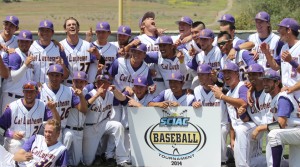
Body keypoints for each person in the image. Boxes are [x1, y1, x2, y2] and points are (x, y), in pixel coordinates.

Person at [210, 62, 263, 167]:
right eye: (224, 73)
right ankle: (283, 163)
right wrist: (232, 138)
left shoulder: (242, 86)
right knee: (247, 163)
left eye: (229, 72)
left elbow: (243, 103)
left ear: (237, 74)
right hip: (240, 131)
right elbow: (232, 120)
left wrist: (221, 96)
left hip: (250, 127)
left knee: (247, 161)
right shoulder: (229, 93)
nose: (226, 75)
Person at [253, 69, 300, 167]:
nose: (265, 83)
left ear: (277, 82)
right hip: (293, 132)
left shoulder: (282, 97)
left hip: (297, 130)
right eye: (264, 80)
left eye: (268, 80)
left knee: (274, 135)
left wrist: (260, 128)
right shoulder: (274, 97)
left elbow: (281, 124)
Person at [0, 81, 60, 154]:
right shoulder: (13, 107)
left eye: (31, 92)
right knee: (18, 144)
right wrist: (11, 134)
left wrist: (53, 110)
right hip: (14, 142)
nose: (29, 94)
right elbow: (0, 128)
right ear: (23, 92)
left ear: (37, 93)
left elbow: (57, 124)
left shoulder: (42, 106)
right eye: (26, 92)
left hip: (34, 142)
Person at [82, 74, 129, 166]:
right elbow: (84, 108)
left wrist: (115, 90)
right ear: (96, 84)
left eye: (105, 83)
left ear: (109, 85)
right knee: (88, 162)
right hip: (90, 128)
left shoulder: (111, 94)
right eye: (100, 82)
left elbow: (123, 99)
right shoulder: (90, 94)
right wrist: (97, 94)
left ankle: (121, 159)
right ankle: (98, 156)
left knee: (118, 126)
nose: (102, 85)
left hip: (104, 124)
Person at [192, 64, 229, 166]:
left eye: (203, 75)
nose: (200, 77)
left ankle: (223, 161)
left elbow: (230, 93)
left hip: (221, 122)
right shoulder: (196, 90)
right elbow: (193, 105)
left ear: (209, 76)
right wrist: (194, 104)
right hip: (205, 123)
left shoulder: (220, 89)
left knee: (222, 131)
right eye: (199, 75)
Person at [39, 64, 87, 141]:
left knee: (67, 137)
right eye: (52, 75)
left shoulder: (69, 91)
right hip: (44, 128)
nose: (54, 78)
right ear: (48, 75)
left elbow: (83, 110)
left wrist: (81, 96)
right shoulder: (40, 90)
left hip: (61, 129)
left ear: (62, 77)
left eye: (57, 75)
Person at [0, 119, 68, 167]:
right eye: (46, 131)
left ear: (58, 134)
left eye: (50, 132)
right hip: (14, 164)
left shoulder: (61, 150)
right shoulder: (36, 138)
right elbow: (16, 157)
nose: (47, 134)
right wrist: (24, 157)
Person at [264, 18, 300, 101]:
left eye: (281, 28)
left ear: (289, 30)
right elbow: (275, 67)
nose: (278, 30)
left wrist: (291, 61)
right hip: (286, 92)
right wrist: (267, 53)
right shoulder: (284, 47)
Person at [60, 17, 101, 85]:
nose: (72, 26)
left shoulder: (88, 45)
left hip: (84, 86)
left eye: (74, 24)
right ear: (65, 29)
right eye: (69, 25)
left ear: (78, 28)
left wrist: (98, 55)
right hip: (67, 86)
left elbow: (101, 63)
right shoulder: (60, 46)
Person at [1, 30, 34, 113]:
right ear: (18, 41)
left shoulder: (29, 55)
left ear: (31, 43)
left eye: (26, 42)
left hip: (22, 98)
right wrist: (25, 65)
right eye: (21, 41)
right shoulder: (15, 55)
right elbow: (14, 77)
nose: (24, 44)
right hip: (10, 97)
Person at [63, 71, 88, 166]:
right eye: (76, 81)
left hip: (80, 131)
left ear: (85, 83)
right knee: (67, 141)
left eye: (82, 82)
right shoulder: (68, 91)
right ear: (72, 81)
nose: (79, 84)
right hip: (68, 129)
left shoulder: (86, 91)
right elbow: (83, 110)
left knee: (76, 162)